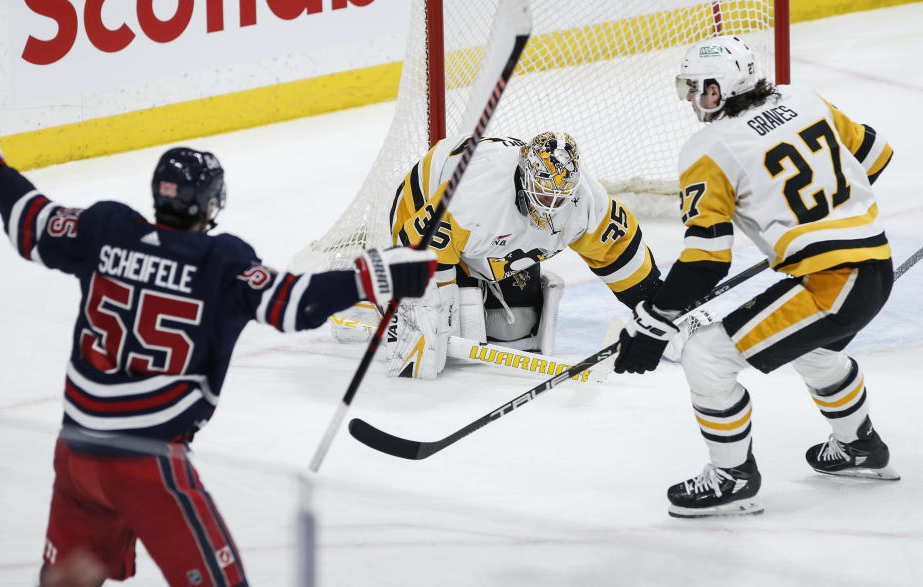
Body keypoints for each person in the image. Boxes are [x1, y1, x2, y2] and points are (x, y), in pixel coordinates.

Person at [0, 119, 437, 586]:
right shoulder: (219, 263)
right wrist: (376, 274)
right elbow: (296, 304)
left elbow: (29, 218)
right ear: (210, 202)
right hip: (146, 465)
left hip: (76, 453)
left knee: (67, 581)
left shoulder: (104, 228)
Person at [613, 36, 897, 517]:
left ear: (719, 89)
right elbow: (874, 156)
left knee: (705, 354)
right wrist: (812, 225)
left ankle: (732, 476)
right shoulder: (803, 96)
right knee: (814, 350)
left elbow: (706, 260)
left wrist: (656, 319)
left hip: (834, 282)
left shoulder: (708, 147)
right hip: (873, 267)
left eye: (696, 88)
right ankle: (860, 447)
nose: (689, 99)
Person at [380, 131, 670, 379]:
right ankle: (380, 297)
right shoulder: (473, 198)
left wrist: (660, 308)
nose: (551, 207)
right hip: (425, 207)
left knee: (513, 334)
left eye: (561, 198)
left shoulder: (586, 200)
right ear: (524, 175)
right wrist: (429, 315)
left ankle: (481, 282)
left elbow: (621, 254)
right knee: (450, 341)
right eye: (544, 195)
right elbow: (423, 246)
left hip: (493, 240)